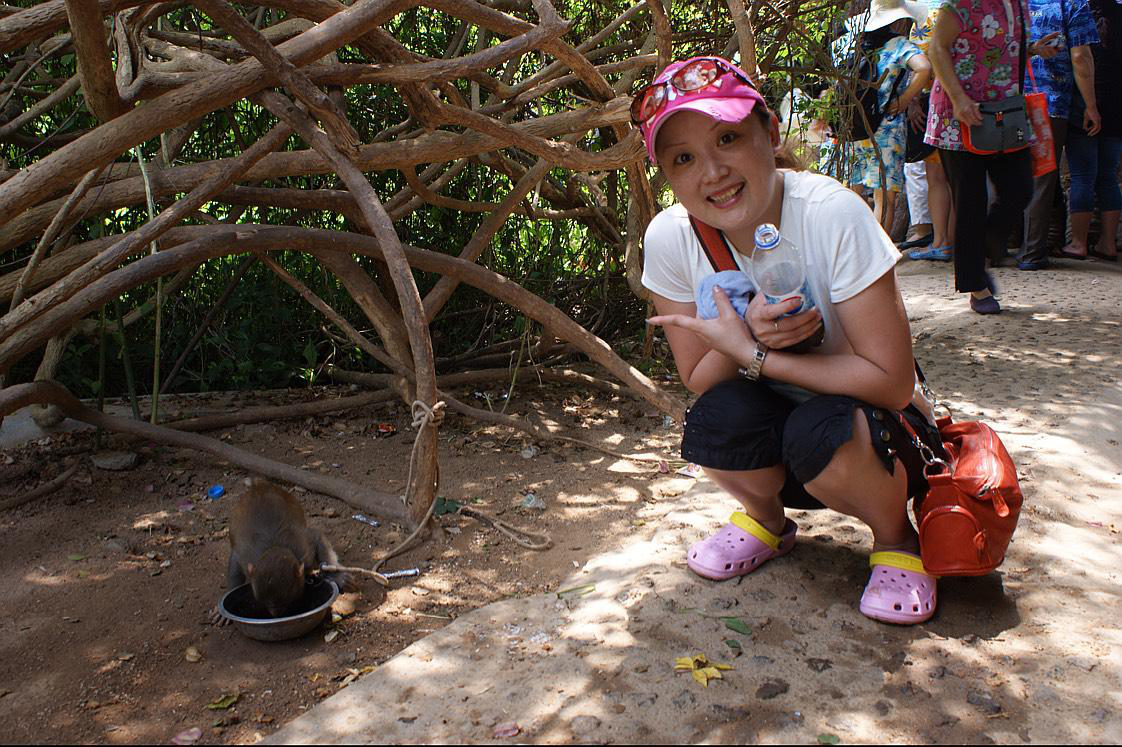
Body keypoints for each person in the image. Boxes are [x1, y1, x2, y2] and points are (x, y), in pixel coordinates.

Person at [636, 56, 946, 625]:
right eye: (683, 158)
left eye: (727, 138)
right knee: (713, 421)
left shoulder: (831, 213)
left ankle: (896, 537)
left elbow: (893, 383)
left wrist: (758, 356)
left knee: (819, 426)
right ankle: (767, 520)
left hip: (873, 437)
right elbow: (697, 378)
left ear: (771, 132)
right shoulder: (670, 239)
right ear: (668, 176)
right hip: (783, 442)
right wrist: (745, 336)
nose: (713, 172)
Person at [924, 0, 1060, 313]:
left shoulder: (1018, 4)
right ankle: (976, 286)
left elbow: (997, 46)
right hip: (959, 118)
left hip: (1005, 115)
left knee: (1020, 188)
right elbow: (937, 48)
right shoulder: (959, 4)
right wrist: (959, 98)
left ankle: (982, 247)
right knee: (970, 202)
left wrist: (1034, 50)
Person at [820, 0, 933, 232]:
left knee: (848, 192)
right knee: (884, 196)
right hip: (886, 127)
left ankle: (851, 246)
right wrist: (904, 99)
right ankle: (880, 249)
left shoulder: (843, 43)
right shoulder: (900, 45)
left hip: (848, 125)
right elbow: (923, 67)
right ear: (898, 19)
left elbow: (832, 79)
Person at [1019, 0, 1101, 269]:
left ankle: (995, 248)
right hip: (1050, 103)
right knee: (1042, 177)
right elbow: (1080, 57)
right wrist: (1090, 105)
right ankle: (1032, 253)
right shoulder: (1073, 4)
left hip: (1008, 100)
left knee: (1004, 172)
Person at [1061, 0, 1120, 261]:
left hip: (1085, 104)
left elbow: (1079, 61)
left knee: (1082, 176)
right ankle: (1108, 243)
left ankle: (1078, 242)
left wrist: (1089, 104)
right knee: (1108, 176)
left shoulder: (1077, 12)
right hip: (1117, 106)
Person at [904, 0, 957, 262]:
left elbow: (920, 65)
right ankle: (956, 241)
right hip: (969, 98)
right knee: (960, 176)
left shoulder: (923, 15)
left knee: (936, 176)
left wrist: (911, 100)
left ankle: (940, 241)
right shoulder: (965, 9)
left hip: (937, 103)